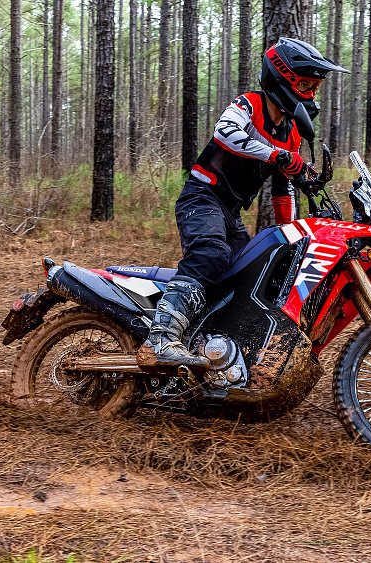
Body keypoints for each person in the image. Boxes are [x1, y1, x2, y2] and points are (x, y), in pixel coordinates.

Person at [137, 37, 349, 369]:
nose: (310, 93)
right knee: (210, 254)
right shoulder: (249, 104)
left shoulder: (291, 133)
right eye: (305, 85)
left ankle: (211, 342)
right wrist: (277, 155)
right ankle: (160, 339)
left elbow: (283, 189)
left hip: (231, 212)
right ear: (282, 78)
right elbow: (225, 133)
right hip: (202, 196)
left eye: (315, 87)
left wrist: (291, 232)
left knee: (250, 275)